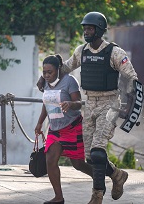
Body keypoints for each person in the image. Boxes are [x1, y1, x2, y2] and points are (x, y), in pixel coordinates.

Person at [37, 12, 138, 204]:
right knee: (91, 157)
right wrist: (44, 76)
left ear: (99, 30)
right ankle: (117, 175)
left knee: (98, 151)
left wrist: (130, 103)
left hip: (110, 103)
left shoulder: (115, 52)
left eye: (90, 28)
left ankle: (96, 196)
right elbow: (64, 67)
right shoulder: (81, 51)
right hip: (89, 104)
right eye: (84, 28)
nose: (86, 32)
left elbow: (131, 77)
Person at [35, 54, 93, 204]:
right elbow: (46, 103)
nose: (47, 75)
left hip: (72, 127)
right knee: (50, 161)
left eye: (50, 72)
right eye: (44, 72)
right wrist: (40, 123)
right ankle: (58, 197)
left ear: (58, 70)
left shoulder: (69, 81)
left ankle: (98, 179)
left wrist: (70, 103)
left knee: (78, 164)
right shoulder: (46, 83)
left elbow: (79, 103)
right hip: (55, 129)